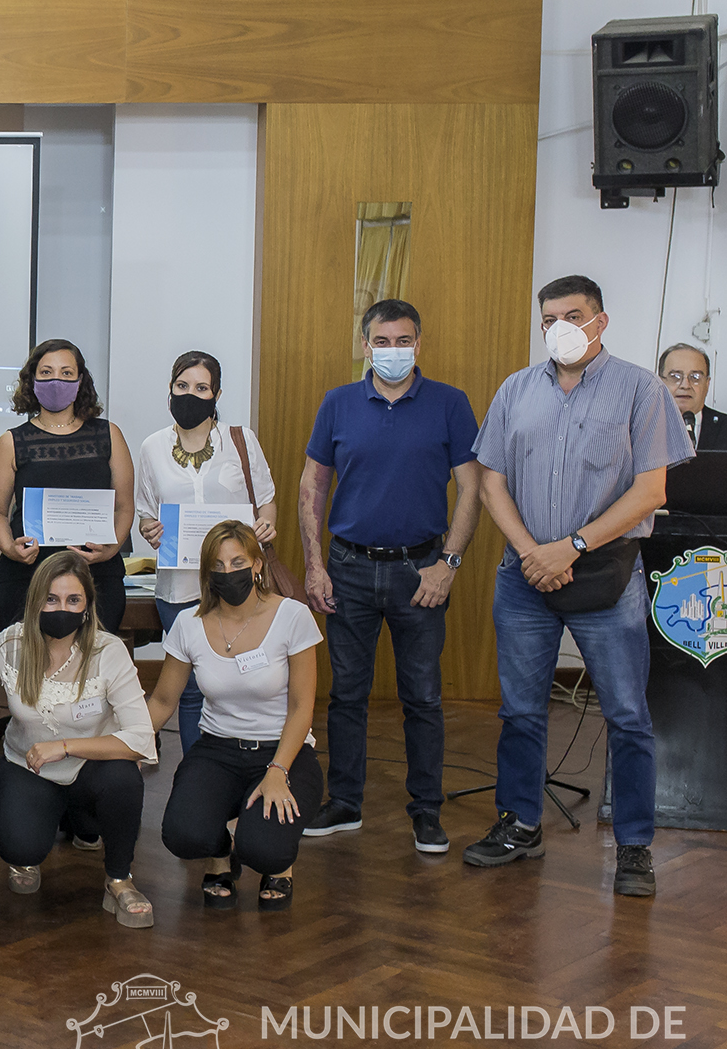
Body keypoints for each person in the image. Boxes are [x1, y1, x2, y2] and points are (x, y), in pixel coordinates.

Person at [468, 275, 691, 897]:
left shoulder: (642, 390)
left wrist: (571, 547)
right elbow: (490, 481)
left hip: (606, 575)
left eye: (572, 315)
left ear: (600, 321)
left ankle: (635, 845)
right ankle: (520, 824)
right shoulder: (515, 389)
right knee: (519, 711)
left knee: (626, 714)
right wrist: (532, 552)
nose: (559, 328)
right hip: (524, 577)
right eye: (548, 319)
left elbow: (650, 492)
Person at [297, 299, 482, 855]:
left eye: (403, 341)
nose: (393, 350)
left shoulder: (450, 403)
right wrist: (314, 565)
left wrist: (448, 565)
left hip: (420, 571)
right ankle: (344, 802)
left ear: (418, 344)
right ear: (365, 345)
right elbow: (313, 486)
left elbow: (472, 488)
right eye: (382, 341)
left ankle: (426, 810)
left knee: (422, 697)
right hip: (348, 569)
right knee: (346, 694)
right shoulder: (338, 403)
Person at [147, 521, 323, 912]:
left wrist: (278, 770)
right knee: (182, 835)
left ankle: (279, 865)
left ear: (257, 564)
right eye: (218, 565)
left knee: (264, 848)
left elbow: (302, 708)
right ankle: (221, 854)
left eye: (238, 562)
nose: (228, 573)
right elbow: (162, 700)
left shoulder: (292, 616)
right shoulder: (188, 624)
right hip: (217, 749)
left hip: (283, 750)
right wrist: (123, 745)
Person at [0, 551, 157, 927]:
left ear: (87, 606)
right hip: (27, 767)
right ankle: (37, 840)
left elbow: (140, 738)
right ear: (35, 600)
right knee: (19, 846)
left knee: (123, 778)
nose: (61, 609)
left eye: (72, 600)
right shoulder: (9, 644)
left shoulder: (108, 650)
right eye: (50, 599)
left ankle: (119, 879)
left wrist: (64, 747)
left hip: (91, 770)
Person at [133, 351, 277, 755]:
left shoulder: (241, 441)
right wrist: (150, 530)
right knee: (192, 687)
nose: (190, 395)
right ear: (170, 389)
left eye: (201, 388)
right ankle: (198, 770)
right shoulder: (152, 447)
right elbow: (146, 514)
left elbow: (266, 501)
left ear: (217, 394)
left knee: (243, 678)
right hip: (178, 589)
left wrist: (266, 524)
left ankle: (246, 761)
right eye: (182, 386)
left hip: (237, 583)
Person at [0, 339, 134, 636]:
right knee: (28, 659)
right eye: (46, 373)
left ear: (80, 381)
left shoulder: (109, 435)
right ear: (32, 380)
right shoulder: (10, 442)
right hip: (28, 574)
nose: (56, 381)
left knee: (95, 659)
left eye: (66, 373)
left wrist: (110, 550)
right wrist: (11, 549)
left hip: (96, 574)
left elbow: (124, 506)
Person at [659, 343, 726, 450]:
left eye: (695, 377)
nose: (685, 385)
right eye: (675, 376)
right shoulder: (639, 426)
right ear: (660, 382)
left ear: (707, 384)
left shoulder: (724, 428)